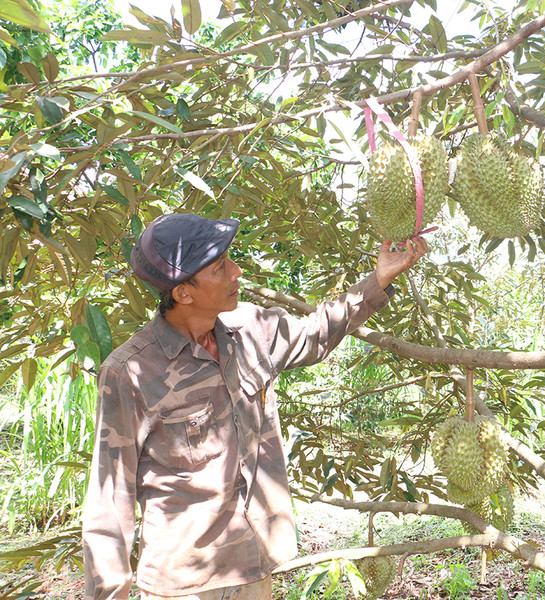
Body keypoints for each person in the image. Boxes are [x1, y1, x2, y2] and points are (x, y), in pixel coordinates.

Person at [82, 213, 428, 600]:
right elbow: (110, 500)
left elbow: (316, 334)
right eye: (221, 266)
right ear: (183, 292)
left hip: (254, 565)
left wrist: (380, 278)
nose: (237, 271)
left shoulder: (249, 329)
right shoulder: (131, 371)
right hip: (183, 583)